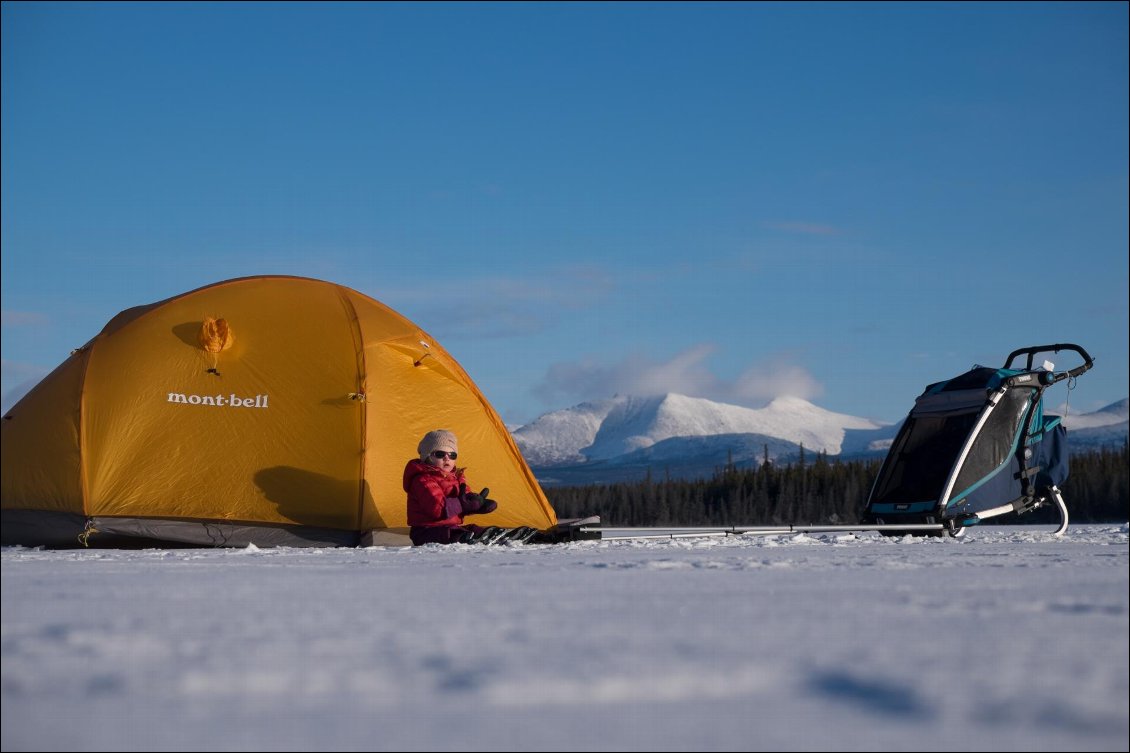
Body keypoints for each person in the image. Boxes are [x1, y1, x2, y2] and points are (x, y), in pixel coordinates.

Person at [404, 429, 499, 546]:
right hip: (426, 531)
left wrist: (478, 505)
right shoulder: (422, 480)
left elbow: (464, 502)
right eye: (440, 454)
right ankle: (470, 538)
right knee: (454, 534)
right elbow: (438, 510)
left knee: (472, 529)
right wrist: (463, 503)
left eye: (452, 455)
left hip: (450, 526)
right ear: (427, 457)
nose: (447, 458)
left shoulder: (456, 478)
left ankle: (493, 535)